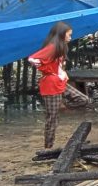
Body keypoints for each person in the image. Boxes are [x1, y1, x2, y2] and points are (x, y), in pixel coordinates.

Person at [29, 21, 90, 149]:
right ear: (62, 35)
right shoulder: (52, 47)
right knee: (52, 120)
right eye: (69, 35)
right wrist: (46, 70)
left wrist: (60, 72)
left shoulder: (60, 47)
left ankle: (63, 106)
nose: (70, 37)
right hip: (50, 85)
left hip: (60, 81)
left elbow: (56, 65)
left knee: (84, 99)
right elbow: (33, 59)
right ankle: (48, 148)